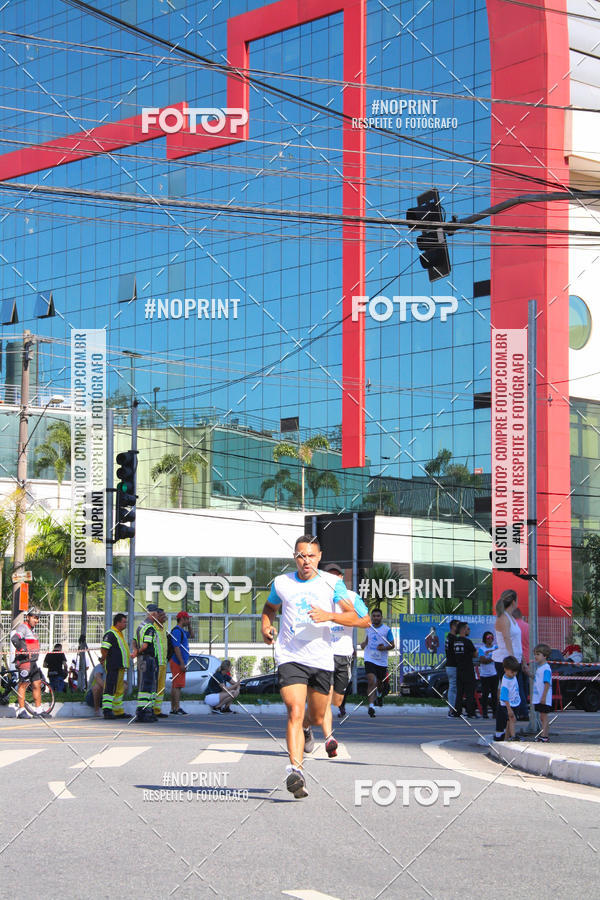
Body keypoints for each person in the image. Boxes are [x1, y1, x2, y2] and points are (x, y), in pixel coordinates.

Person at [261, 534, 357, 799]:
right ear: (295, 557)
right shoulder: (282, 582)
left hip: (321, 659)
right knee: (294, 709)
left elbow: (354, 616)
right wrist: (266, 626)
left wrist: (329, 616)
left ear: (319, 557)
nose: (306, 561)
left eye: (311, 556)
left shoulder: (332, 583)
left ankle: (307, 726)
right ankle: (296, 771)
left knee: (315, 717)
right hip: (290, 656)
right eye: (301, 556)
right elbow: (269, 608)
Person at [303, 562, 370, 753]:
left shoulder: (351, 597)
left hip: (343, 655)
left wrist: (335, 617)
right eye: (329, 575)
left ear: (341, 578)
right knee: (324, 699)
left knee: (337, 701)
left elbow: (366, 621)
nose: (333, 579)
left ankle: (305, 725)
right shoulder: (314, 596)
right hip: (321, 653)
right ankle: (329, 738)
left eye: (336, 576)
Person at [492, 590, 523, 741]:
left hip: (513, 661)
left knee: (512, 695)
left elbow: (516, 641)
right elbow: (507, 639)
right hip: (506, 661)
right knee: (505, 697)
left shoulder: (510, 618)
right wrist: (512, 660)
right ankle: (500, 731)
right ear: (514, 602)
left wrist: (521, 661)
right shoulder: (503, 618)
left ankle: (508, 732)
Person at [10, 607, 46, 718]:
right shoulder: (23, 627)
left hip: (33, 662)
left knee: (37, 684)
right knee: (23, 685)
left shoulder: (32, 630)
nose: (36, 620)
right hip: (24, 662)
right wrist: (23, 650)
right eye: (34, 618)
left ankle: (38, 710)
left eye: (37, 618)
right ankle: (21, 711)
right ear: (28, 617)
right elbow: (15, 639)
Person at [360, 607, 395, 718]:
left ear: (381, 617)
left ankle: (379, 695)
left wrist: (383, 648)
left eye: (378, 616)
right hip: (369, 658)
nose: (376, 618)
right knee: (371, 681)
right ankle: (371, 706)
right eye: (374, 616)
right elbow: (368, 639)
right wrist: (364, 644)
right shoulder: (368, 628)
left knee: (380, 684)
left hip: (381, 661)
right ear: (371, 617)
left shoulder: (386, 630)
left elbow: (392, 645)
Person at [132, 605, 160, 723]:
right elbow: (145, 645)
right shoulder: (150, 628)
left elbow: (134, 640)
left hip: (142, 659)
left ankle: (146, 711)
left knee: (144, 685)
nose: (158, 616)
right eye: (157, 613)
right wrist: (138, 652)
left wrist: (135, 652)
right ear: (153, 614)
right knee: (148, 685)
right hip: (148, 658)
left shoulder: (141, 626)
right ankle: (144, 713)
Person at [100, 613, 130, 719]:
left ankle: (118, 711)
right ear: (118, 623)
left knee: (119, 689)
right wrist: (103, 659)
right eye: (124, 622)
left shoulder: (119, 634)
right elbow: (104, 648)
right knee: (110, 688)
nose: (126, 624)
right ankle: (107, 711)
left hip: (120, 666)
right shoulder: (110, 634)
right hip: (113, 666)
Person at [453, 622, 478, 718]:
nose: (469, 630)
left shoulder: (455, 641)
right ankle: (470, 712)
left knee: (459, 692)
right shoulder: (467, 642)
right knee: (469, 692)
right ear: (463, 630)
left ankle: (457, 711)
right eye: (468, 629)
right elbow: (475, 654)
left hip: (459, 669)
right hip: (468, 669)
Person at [170, 611, 190, 715]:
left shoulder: (182, 631)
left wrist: (189, 625)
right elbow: (176, 647)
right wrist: (181, 662)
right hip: (177, 661)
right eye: (187, 619)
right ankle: (176, 708)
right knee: (177, 686)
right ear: (182, 619)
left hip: (180, 661)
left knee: (177, 685)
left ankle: (174, 708)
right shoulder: (177, 631)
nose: (189, 621)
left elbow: (192, 635)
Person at [498, 655, 522, 741]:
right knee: (512, 719)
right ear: (505, 669)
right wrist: (509, 709)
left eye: (516, 672)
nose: (514, 674)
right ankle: (513, 736)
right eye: (512, 672)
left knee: (509, 721)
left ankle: (506, 737)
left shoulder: (513, 677)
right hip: (507, 704)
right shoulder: (505, 682)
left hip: (514, 702)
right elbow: (504, 697)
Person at [533, 643, 553, 742]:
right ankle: (543, 735)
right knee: (542, 717)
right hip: (539, 697)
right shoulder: (540, 668)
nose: (535, 656)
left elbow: (547, 683)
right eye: (535, 654)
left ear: (545, 656)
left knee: (544, 717)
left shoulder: (546, 668)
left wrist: (544, 697)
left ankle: (545, 736)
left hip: (543, 697)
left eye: (538, 654)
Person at [512, 608, 530, 719]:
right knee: (525, 686)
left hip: (517, 660)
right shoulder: (528, 627)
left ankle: (522, 711)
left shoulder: (514, 627)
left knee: (518, 687)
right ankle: (525, 708)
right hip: (528, 660)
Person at [152, 609, 169, 718]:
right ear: (156, 617)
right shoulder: (152, 628)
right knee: (153, 688)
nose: (164, 617)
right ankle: (150, 709)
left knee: (161, 688)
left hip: (163, 663)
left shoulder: (163, 629)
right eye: (161, 615)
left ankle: (157, 710)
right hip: (156, 663)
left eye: (164, 615)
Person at [477, 631, 498, 719]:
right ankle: (484, 713)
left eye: (491, 638)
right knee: (485, 694)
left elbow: (498, 656)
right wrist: (493, 657)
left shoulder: (495, 647)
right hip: (484, 675)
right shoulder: (481, 649)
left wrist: (490, 657)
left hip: (494, 674)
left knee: (494, 694)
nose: (490, 639)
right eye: (488, 638)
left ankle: (495, 712)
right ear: (485, 639)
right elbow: (483, 661)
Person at [444, 619, 460, 717]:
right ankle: (452, 710)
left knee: (453, 687)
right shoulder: (453, 638)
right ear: (453, 627)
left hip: (450, 665)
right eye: (458, 626)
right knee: (453, 688)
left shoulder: (449, 637)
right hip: (453, 666)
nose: (459, 628)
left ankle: (453, 709)